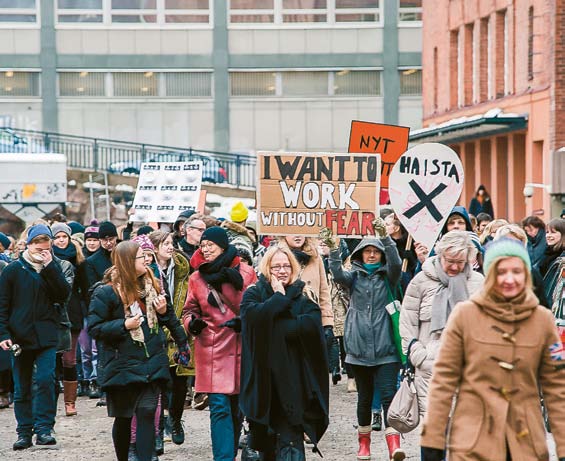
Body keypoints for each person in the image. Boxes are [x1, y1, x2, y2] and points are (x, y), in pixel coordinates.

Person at [420, 238, 565, 461]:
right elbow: (443, 381)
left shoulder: (543, 321)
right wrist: (433, 439)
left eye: (516, 271)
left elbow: (557, 386)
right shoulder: (465, 316)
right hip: (473, 440)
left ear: (526, 274)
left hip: (525, 442)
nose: (509, 279)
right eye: (501, 271)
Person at [87, 240, 189, 461]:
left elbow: (170, 318)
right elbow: (95, 328)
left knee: (146, 412)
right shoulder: (106, 293)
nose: (147, 260)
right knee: (124, 418)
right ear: (127, 262)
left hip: (152, 361)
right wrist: (123, 325)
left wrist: (167, 319)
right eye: (142, 257)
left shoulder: (153, 286)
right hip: (121, 364)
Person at [324, 218, 405, 461]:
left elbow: (397, 264)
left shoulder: (388, 277)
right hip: (358, 350)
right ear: (360, 254)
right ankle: (364, 444)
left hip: (387, 348)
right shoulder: (353, 278)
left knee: (390, 396)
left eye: (375, 252)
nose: (371, 255)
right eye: (367, 251)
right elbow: (337, 272)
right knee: (365, 399)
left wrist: (386, 239)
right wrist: (334, 248)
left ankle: (394, 445)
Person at [240, 245, 329, 460]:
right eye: (276, 266)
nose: (282, 271)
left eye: (286, 266)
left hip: (293, 383)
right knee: (266, 444)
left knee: (291, 441)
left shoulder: (302, 293)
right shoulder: (254, 293)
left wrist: (274, 324)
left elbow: (310, 325)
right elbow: (251, 320)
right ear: (267, 268)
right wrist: (278, 299)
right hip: (263, 383)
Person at [182, 226, 257, 461]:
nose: (205, 249)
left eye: (209, 245)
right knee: (220, 408)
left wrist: (245, 322)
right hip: (211, 348)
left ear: (223, 246)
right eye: (202, 246)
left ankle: (231, 451)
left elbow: (256, 306)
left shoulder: (246, 273)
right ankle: (223, 458)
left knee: (237, 410)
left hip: (240, 345)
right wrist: (192, 324)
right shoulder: (196, 277)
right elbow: (188, 310)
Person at [0, 224, 71, 449]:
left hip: (47, 334)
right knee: (22, 386)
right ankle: (24, 432)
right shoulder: (13, 270)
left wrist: (50, 267)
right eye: (38, 248)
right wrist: (3, 333)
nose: (42, 252)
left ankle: (44, 428)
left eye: (46, 248)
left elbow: (63, 294)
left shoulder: (54, 267)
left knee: (45, 381)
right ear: (28, 245)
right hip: (20, 336)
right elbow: (2, 304)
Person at [399, 231, 484, 416]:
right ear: (440, 255)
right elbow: (407, 321)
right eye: (450, 261)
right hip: (430, 366)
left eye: (460, 262)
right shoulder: (421, 281)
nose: (454, 267)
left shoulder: (479, 283)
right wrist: (417, 353)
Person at [148, 230, 191, 445]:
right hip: (156, 329)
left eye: (171, 242)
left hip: (178, 326)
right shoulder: (147, 269)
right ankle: (158, 426)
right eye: (165, 243)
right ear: (154, 247)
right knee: (160, 381)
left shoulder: (182, 267)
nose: (170, 246)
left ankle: (175, 419)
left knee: (180, 380)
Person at [51, 222, 87, 417]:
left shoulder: (78, 258)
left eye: (64, 237)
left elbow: (84, 288)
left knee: (69, 359)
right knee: (52, 360)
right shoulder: (46, 259)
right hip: (51, 313)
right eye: (57, 237)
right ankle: (50, 402)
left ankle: (70, 402)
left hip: (72, 312)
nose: (61, 240)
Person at [537, 218, 565, 312]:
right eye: (547, 232)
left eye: (553, 232)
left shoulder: (562, 257)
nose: (548, 236)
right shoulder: (546, 253)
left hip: (555, 308)